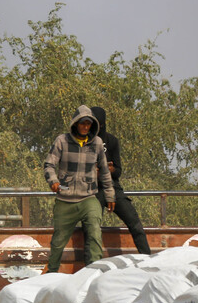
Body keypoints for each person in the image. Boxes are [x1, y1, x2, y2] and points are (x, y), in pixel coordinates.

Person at [44, 105, 115, 272]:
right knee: (58, 241)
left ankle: (94, 273)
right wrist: (53, 181)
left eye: (88, 124)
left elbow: (104, 171)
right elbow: (49, 165)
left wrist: (110, 195)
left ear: (92, 125)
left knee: (95, 234)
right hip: (65, 199)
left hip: (88, 198)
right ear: (75, 124)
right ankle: (51, 273)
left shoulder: (96, 143)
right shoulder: (62, 141)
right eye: (82, 123)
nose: (85, 127)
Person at [92, 106, 150, 256]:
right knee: (92, 228)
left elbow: (118, 170)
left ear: (102, 124)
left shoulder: (112, 141)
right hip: (93, 190)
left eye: (97, 124)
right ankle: (92, 263)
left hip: (113, 187)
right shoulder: (84, 142)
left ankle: (147, 258)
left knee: (135, 223)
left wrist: (110, 170)